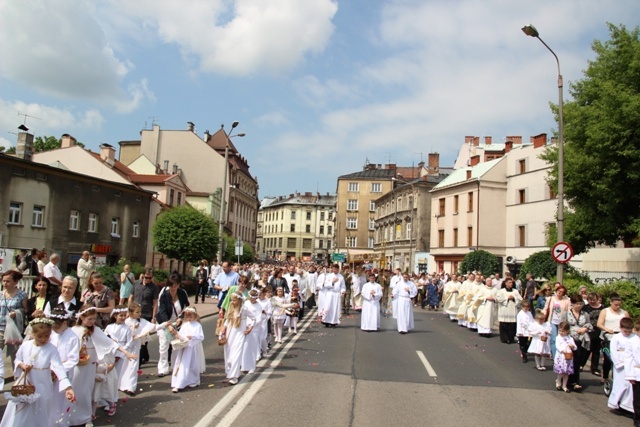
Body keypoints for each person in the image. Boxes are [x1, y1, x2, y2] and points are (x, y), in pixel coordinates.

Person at [0, 316, 76, 427]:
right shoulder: (26, 346)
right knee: (23, 410)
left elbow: (59, 367)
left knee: (41, 409)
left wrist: (68, 387)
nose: (43, 339)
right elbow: (18, 359)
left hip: (43, 383)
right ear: (33, 334)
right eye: (40, 336)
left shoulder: (51, 349)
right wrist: (22, 365)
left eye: (46, 336)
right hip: (26, 382)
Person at [70, 305, 136, 427]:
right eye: (89, 319)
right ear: (81, 317)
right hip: (77, 365)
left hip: (90, 365)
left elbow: (110, 343)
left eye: (94, 319)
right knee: (76, 389)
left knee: (88, 391)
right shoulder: (74, 330)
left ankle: (86, 417)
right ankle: (72, 416)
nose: (92, 322)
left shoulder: (95, 330)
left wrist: (126, 353)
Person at [119, 302, 161, 396]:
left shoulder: (141, 321)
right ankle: (122, 384)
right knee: (125, 365)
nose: (139, 314)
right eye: (137, 312)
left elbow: (152, 327)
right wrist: (132, 330)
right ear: (130, 313)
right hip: (126, 346)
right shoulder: (126, 322)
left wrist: (164, 325)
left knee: (134, 366)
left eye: (140, 312)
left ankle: (131, 386)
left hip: (135, 346)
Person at [49, 306, 80, 427]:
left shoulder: (72, 337)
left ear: (65, 323)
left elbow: (73, 359)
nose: (55, 329)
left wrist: (58, 371)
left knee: (61, 400)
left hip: (64, 372)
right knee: (50, 399)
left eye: (57, 326)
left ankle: (60, 423)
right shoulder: (52, 334)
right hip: (50, 371)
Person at [156, 273, 190, 377]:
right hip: (164, 322)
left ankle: (175, 365)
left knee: (176, 345)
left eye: (176, 285)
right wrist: (168, 325)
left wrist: (180, 318)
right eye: (171, 285)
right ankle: (163, 368)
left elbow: (186, 307)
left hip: (177, 323)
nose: (173, 288)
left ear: (179, 285)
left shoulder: (182, 293)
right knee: (164, 346)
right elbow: (162, 312)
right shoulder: (164, 295)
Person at [168, 306, 205, 393]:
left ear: (195, 316)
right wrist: (176, 334)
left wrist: (192, 337)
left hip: (192, 348)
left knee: (192, 365)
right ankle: (178, 383)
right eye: (187, 316)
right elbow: (181, 335)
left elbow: (201, 337)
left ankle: (192, 380)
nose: (189, 318)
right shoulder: (185, 325)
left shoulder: (197, 325)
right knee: (182, 365)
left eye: (191, 316)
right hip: (184, 349)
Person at [597, 293, 630, 385]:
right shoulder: (605, 311)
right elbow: (599, 324)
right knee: (608, 359)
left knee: (620, 358)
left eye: (619, 305)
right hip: (607, 338)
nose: (618, 306)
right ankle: (605, 376)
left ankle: (619, 377)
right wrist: (607, 330)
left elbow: (628, 324)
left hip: (621, 338)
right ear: (611, 302)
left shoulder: (624, 313)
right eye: (616, 305)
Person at [129, 267, 159, 364]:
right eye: (146, 277)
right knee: (135, 336)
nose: (148, 280)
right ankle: (143, 355)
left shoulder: (154, 287)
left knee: (143, 337)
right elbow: (131, 297)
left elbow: (155, 303)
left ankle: (141, 357)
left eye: (150, 278)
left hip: (146, 314)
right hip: (134, 313)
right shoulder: (136, 284)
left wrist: (153, 317)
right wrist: (128, 310)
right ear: (142, 276)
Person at [0, 270, 28, 366]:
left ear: (15, 282)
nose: (5, 283)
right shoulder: (0, 294)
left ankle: (17, 376)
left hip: (13, 329)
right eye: (3, 281)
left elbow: (26, 310)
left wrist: (17, 312)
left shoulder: (22, 295)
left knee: (15, 355)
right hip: (1, 328)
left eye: (8, 281)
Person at [607, 317, 634, 414]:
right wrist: (619, 363)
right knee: (621, 385)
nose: (627, 333)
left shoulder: (634, 337)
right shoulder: (616, 338)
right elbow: (613, 352)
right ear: (620, 328)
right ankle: (616, 403)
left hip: (631, 365)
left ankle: (627, 406)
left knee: (630, 386)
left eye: (629, 331)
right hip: (621, 366)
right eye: (625, 331)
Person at [566, 293, 592, 391]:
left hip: (582, 339)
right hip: (571, 339)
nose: (579, 306)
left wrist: (585, 328)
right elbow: (563, 326)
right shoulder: (567, 314)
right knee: (571, 360)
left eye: (580, 304)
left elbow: (589, 324)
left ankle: (575, 380)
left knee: (578, 361)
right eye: (577, 304)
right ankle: (569, 380)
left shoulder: (585, 314)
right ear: (572, 304)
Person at [222, 292, 248, 385]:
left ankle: (234, 376)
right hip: (230, 332)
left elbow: (253, 318)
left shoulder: (244, 309)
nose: (232, 301)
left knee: (236, 354)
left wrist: (249, 328)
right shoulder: (231, 307)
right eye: (231, 300)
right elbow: (227, 319)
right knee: (229, 355)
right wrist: (223, 328)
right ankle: (230, 371)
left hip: (239, 333)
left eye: (234, 300)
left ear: (239, 300)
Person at [543, 284, 570, 358]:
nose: (559, 292)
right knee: (553, 339)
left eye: (562, 292)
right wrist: (542, 317)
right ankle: (555, 357)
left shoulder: (566, 301)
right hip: (552, 321)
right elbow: (546, 309)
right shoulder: (551, 299)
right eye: (558, 291)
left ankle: (560, 354)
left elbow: (568, 311)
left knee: (561, 339)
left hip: (561, 322)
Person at [581, 291, 604, 376]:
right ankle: (581, 364)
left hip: (599, 331)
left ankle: (594, 368)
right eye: (590, 300)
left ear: (597, 299)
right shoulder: (585, 308)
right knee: (587, 349)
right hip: (588, 331)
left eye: (594, 300)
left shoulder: (602, 308)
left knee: (596, 351)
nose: (592, 301)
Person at [623, 318, 640, 427]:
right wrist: (630, 375)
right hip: (637, 372)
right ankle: (637, 418)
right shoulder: (632, 342)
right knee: (638, 398)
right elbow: (628, 359)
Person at [240, 289, 262, 374]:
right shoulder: (246, 303)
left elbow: (258, 319)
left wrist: (251, 326)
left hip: (254, 329)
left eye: (254, 298)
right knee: (244, 347)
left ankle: (252, 366)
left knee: (252, 347)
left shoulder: (258, 306)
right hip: (245, 327)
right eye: (251, 298)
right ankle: (244, 365)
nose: (252, 300)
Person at [496, 277, 522, 343]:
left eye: (512, 283)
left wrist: (514, 298)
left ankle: (511, 338)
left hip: (512, 310)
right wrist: (507, 298)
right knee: (503, 324)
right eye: (509, 282)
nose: (511, 284)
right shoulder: (501, 291)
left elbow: (520, 299)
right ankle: (504, 338)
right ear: (506, 283)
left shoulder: (515, 291)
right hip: (504, 310)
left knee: (512, 326)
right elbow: (498, 299)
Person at [554, 321, 577, 393]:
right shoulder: (558, 338)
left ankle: (564, 385)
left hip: (568, 357)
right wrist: (562, 350)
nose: (561, 332)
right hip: (561, 357)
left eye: (563, 331)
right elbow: (557, 346)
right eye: (560, 330)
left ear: (567, 331)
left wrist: (573, 346)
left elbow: (575, 347)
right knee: (561, 371)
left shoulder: (570, 338)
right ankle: (558, 381)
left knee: (566, 372)